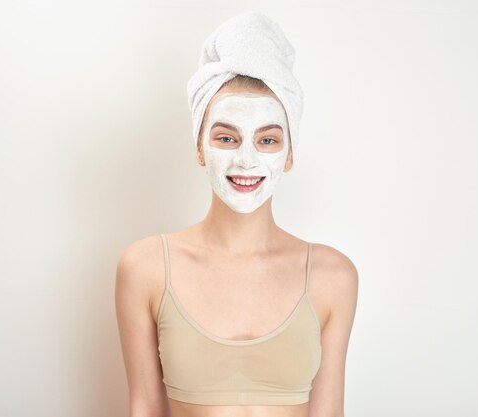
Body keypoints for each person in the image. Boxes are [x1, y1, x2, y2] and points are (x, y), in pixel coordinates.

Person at [115, 11, 358, 417]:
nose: (246, 159)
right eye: (227, 137)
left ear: (290, 155)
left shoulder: (333, 276)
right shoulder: (145, 268)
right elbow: (144, 407)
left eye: (267, 139)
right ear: (199, 148)